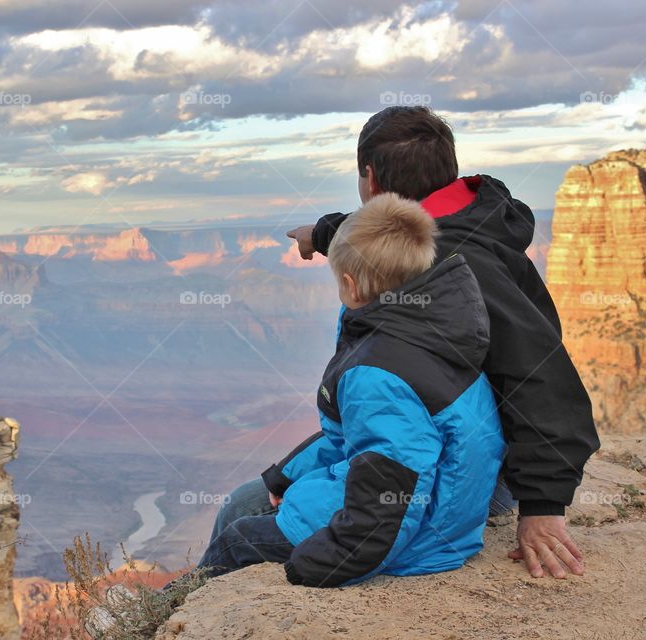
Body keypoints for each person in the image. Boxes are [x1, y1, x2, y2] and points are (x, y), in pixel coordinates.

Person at [213, 105, 599, 581]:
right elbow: (388, 229)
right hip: (435, 437)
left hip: (451, 468)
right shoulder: (465, 218)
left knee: (241, 509)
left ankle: (180, 609)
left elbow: (540, 377)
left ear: (370, 179)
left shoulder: (460, 264)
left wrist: (543, 506)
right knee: (285, 480)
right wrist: (323, 232)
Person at [196, 193, 505, 586]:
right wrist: (284, 477)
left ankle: (166, 610)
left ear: (351, 286)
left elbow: (390, 496)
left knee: (237, 540)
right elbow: (358, 441)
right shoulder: (433, 331)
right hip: (436, 516)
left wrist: (323, 561)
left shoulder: (378, 374)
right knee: (250, 505)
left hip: (418, 539)